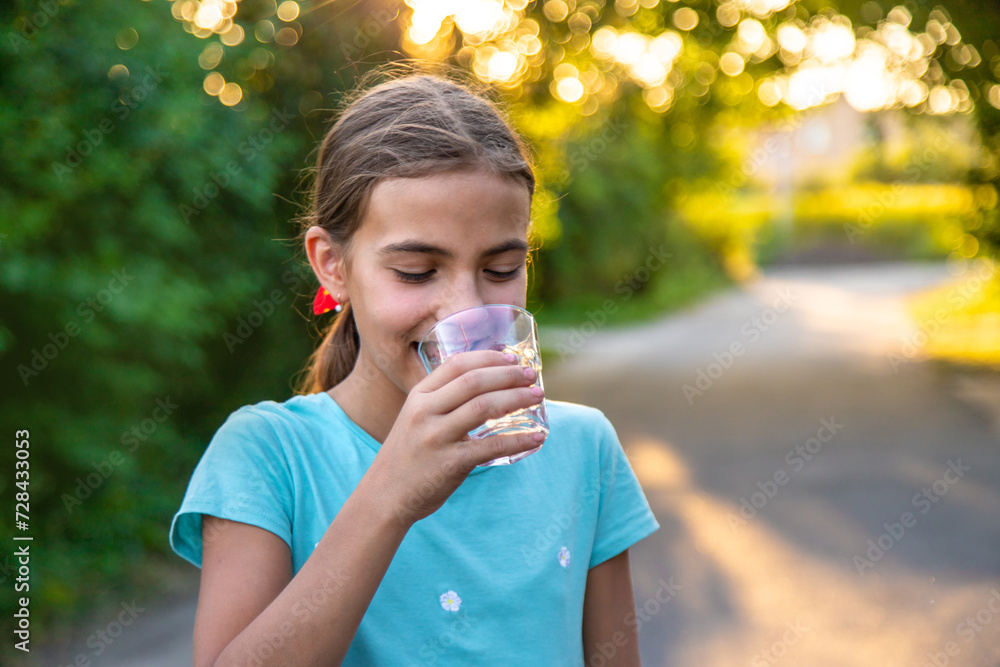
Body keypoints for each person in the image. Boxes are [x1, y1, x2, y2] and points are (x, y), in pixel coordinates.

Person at [169, 69, 660, 667]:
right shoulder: (268, 457)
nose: (467, 311)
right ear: (333, 266)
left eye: (502, 268)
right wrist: (390, 496)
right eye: (416, 271)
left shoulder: (584, 447)